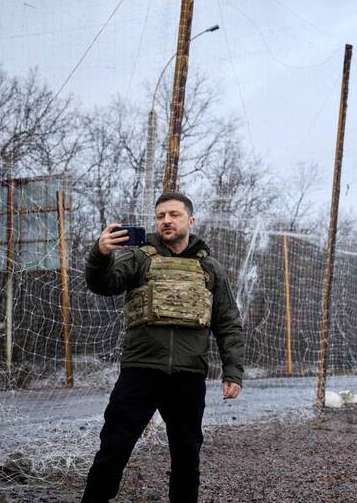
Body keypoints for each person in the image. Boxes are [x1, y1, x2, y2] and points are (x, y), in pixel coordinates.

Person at [81, 192, 245, 503]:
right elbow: (102, 284)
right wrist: (100, 253)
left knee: (186, 456)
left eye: (174, 214)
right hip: (140, 372)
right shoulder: (139, 257)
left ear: (190, 221)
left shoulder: (210, 268)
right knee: (113, 448)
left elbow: (228, 323)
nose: (166, 221)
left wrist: (233, 371)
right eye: (160, 216)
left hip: (188, 376)